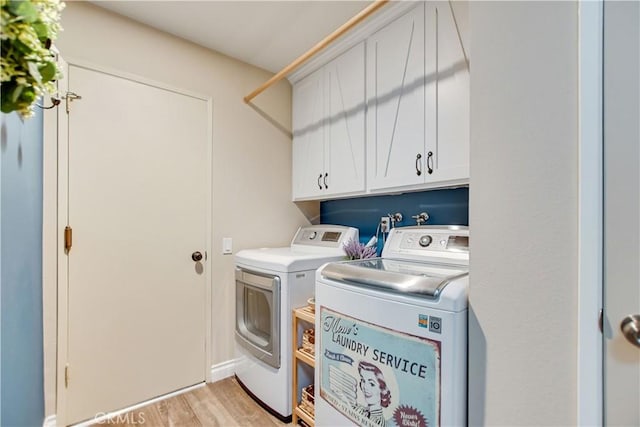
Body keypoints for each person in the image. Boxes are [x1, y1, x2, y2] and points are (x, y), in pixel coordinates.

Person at [355, 361, 391, 426]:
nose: (365, 387)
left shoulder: (380, 423)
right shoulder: (359, 409)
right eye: (363, 380)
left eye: (372, 384)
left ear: (382, 389)